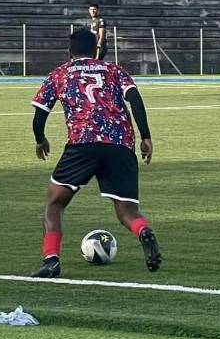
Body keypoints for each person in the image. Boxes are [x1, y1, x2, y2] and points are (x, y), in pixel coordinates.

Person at [30, 29, 162, 277]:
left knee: (55, 203)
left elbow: (39, 115)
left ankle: (51, 261)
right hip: (120, 144)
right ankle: (143, 229)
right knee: (127, 211)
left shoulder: (60, 73)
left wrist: (40, 139)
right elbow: (135, 99)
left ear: (69, 51)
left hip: (83, 143)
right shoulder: (114, 70)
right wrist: (145, 136)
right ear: (96, 50)